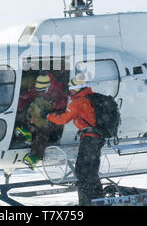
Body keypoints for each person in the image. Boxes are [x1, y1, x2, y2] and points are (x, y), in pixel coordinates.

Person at [46, 74, 105, 206]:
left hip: (89, 139)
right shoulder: (93, 97)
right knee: (92, 171)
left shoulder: (78, 102)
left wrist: (48, 116)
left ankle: (86, 202)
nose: (71, 92)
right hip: (98, 138)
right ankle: (98, 199)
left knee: (82, 171)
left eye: (72, 89)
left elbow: (63, 119)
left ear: (78, 89)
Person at [15, 72, 68, 169]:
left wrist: (53, 105)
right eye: (38, 90)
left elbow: (66, 101)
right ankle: (28, 130)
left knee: (44, 132)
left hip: (53, 118)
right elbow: (29, 95)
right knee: (29, 109)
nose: (41, 92)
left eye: (43, 90)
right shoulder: (37, 87)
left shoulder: (58, 89)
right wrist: (18, 102)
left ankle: (35, 156)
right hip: (37, 117)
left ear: (48, 86)